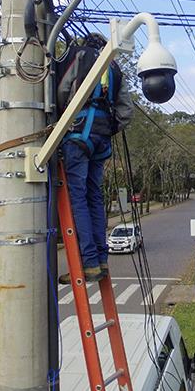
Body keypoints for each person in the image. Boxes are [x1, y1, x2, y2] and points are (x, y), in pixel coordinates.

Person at [56, 33, 133, 282]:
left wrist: (60, 121)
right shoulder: (114, 68)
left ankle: (87, 262)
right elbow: (126, 111)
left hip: (78, 134)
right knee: (94, 197)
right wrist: (107, 127)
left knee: (77, 197)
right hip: (101, 139)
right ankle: (101, 259)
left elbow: (62, 89)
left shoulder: (79, 56)